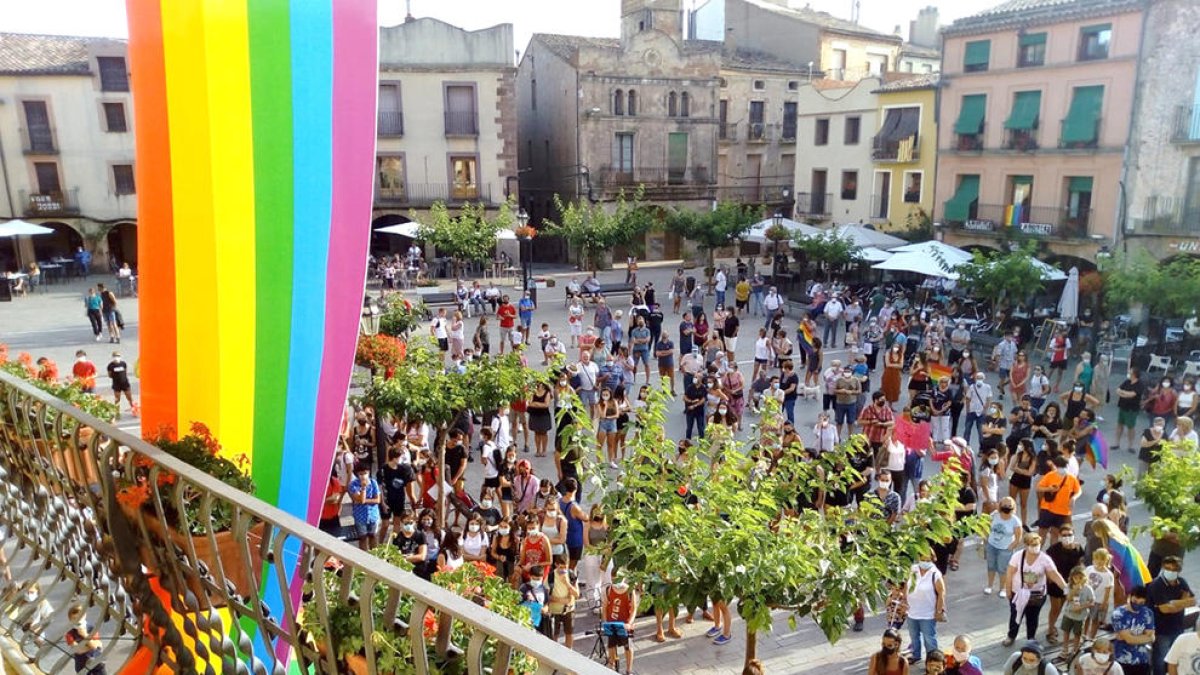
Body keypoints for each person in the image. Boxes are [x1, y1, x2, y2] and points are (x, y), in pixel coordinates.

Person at [1004, 532, 1068, 646]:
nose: (1035, 547)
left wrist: (1066, 588)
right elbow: (1009, 573)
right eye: (1032, 545)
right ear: (1026, 545)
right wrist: (1008, 590)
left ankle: (1031, 639)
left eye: (1037, 544)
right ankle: (1011, 635)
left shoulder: (1045, 559)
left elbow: (1054, 574)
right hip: (1018, 592)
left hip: (1037, 594)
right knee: (1015, 615)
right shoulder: (1018, 556)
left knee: (1033, 617)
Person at [1146, 557, 1194, 675]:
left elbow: (1192, 601)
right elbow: (1165, 609)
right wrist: (1183, 601)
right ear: (1163, 568)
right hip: (1161, 629)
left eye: (1174, 569)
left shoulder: (1182, 582)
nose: (1171, 571)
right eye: (1168, 568)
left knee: (1175, 656)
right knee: (1160, 658)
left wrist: (1173, 603)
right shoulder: (1156, 585)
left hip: (1177, 627)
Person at [906, 550, 946, 664]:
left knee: (929, 639)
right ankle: (916, 655)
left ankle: (933, 661)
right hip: (912, 611)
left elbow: (941, 592)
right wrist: (905, 600)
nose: (925, 562)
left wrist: (938, 610)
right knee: (914, 636)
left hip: (927, 614)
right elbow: (906, 585)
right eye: (923, 560)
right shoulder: (913, 569)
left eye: (928, 560)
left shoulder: (935, 573)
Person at [1037, 455, 1082, 545]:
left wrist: (1074, 497)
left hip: (1062, 511)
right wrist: (1049, 489)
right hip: (1047, 509)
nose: (1062, 469)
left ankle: (1052, 554)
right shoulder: (1050, 475)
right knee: (1042, 533)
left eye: (1064, 466)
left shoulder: (1071, 478)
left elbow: (1079, 490)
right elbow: (1038, 488)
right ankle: (1038, 553)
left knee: (1055, 534)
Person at [1113, 585, 1156, 675]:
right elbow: (1129, 640)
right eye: (1135, 601)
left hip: (1142, 660)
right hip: (1123, 660)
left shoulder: (1148, 613)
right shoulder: (1119, 614)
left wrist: (1130, 637)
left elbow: (1152, 637)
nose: (1137, 604)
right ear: (1130, 597)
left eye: (1141, 603)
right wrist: (1144, 637)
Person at [986, 496, 1024, 596]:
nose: (1007, 506)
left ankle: (1002, 588)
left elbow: (1018, 537)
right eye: (1005, 504)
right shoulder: (994, 515)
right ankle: (989, 586)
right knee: (991, 566)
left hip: (1005, 549)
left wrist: (1012, 546)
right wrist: (985, 539)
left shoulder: (1015, 521)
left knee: (1003, 569)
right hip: (991, 545)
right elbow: (986, 525)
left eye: (1009, 505)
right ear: (1000, 505)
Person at [602, 578, 639, 675]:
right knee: (611, 645)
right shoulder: (609, 589)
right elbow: (605, 606)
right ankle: (611, 667)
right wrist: (605, 621)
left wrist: (630, 623)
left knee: (628, 647)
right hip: (612, 623)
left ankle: (629, 670)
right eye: (613, 579)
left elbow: (634, 609)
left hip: (625, 624)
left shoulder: (630, 591)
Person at [1062, 566, 1097, 660]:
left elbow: (1092, 601)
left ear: (1085, 577)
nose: (1078, 580)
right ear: (1072, 578)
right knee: (1066, 631)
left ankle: (1075, 650)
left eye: (1080, 578)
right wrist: (1075, 589)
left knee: (1077, 634)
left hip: (1080, 616)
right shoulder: (1068, 586)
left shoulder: (1088, 588)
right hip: (1068, 614)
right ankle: (1064, 649)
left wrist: (1081, 607)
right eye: (1075, 578)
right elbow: (1068, 598)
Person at [546, 556, 580, 648]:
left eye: (565, 567)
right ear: (556, 565)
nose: (563, 570)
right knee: (554, 634)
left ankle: (569, 654)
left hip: (569, 610)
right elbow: (546, 596)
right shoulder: (550, 577)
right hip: (554, 610)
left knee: (569, 633)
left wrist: (567, 583)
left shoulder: (571, 575)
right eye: (561, 567)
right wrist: (561, 600)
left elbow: (577, 594)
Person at [347, 463, 382, 551]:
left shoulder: (373, 482)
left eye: (365, 473)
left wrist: (363, 501)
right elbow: (360, 499)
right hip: (360, 516)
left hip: (373, 515)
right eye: (361, 474)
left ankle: (374, 555)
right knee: (362, 537)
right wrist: (363, 488)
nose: (363, 476)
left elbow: (377, 500)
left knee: (373, 535)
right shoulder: (353, 485)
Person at [64, 604, 106, 675]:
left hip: (97, 662)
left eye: (80, 617)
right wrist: (92, 645)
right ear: (70, 620)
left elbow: (96, 645)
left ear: (84, 615)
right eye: (74, 619)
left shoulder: (92, 628)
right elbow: (78, 650)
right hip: (82, 665)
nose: (78, 621)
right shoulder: (69, 633)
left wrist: (84, 635)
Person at [964, 373, 993, 445]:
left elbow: (989, 399)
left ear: (984, 379)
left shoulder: (987, 387)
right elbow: (968, 398)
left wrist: (985, 410)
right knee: (967, 429)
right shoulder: (972, 387)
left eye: (980, 378)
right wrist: (967, 410)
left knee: (981, 431)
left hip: (981, 412)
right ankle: (965, 445)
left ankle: (981, 448)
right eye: (978, 378)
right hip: (972, 410)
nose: (979, 380)